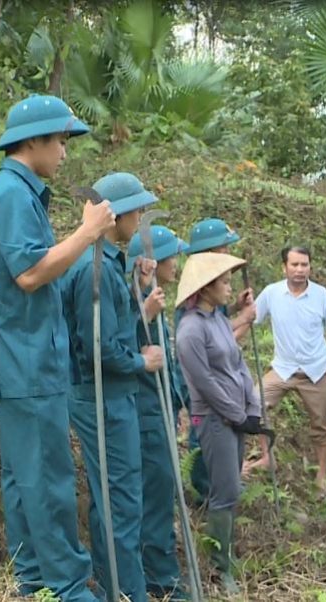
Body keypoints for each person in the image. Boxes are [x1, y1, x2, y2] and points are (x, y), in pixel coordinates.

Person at [0, 93, 109, 602]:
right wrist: (88, 232)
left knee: (23, 476)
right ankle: (70, 588)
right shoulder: (9, 196)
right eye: (61, 141)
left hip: (22, 358)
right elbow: (27, 274)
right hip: (28, 363)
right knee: (45, 476)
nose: (65, 153)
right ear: (34, 140)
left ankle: (32, 581)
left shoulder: (11, 194)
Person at [60, 172, 163, 602]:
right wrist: (141, 359)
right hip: (102, 397)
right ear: (117, 213)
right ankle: (128, 593)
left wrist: (136, 290)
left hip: (112, 394)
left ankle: (111, 588)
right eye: (136, 210)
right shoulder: (92, 268)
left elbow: (113, 325)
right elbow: (98, 348)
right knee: (121, 502)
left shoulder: (106, 260)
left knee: (113, 500)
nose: (139, 218)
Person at [174, 252, 268, 596]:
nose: (230, 287)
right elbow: (206, 385)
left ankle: (223, 556)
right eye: (224, 282)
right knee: (224, 490)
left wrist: (251, 407)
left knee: (230, 489)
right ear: (206, 288)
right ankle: (220, 566)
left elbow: (236, 363)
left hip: (236, 415)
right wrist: (236, 414)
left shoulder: (214, 319)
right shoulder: (190, 331)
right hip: (213, 419)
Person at [247, 245, 326, 494]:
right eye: (294, 265)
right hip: (283, 369)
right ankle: (266, 456)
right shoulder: (272, 293)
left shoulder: (321, 295)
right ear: (284, 267)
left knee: (322, 424)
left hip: (315, 371)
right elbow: (249, 317)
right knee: (254, 402)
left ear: (310, 267)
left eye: (304, 265)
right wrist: (227, 335)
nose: (300, 270)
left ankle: (321, 477)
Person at [126, 223, 192, 600]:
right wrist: (144, 314)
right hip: (144, 412)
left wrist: (178, 400)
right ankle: (161, 579)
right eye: (171, 256)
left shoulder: (155, 295)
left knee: (162, 490)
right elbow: (121, 346)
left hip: (162, 407)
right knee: (155, 495)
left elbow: (167, 358)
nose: (176, 263)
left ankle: (161, 572)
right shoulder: (136, 300)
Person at [172, 217, 256, 507]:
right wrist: (243, 318)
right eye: (222, 248)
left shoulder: (214, 286)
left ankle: (222, 486)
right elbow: (209, 338)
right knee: (202, 430)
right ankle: (204, 490)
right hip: (195, 376)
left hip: (220, 376)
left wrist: (234, 307)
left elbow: (218, 322)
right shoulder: (193, 296)